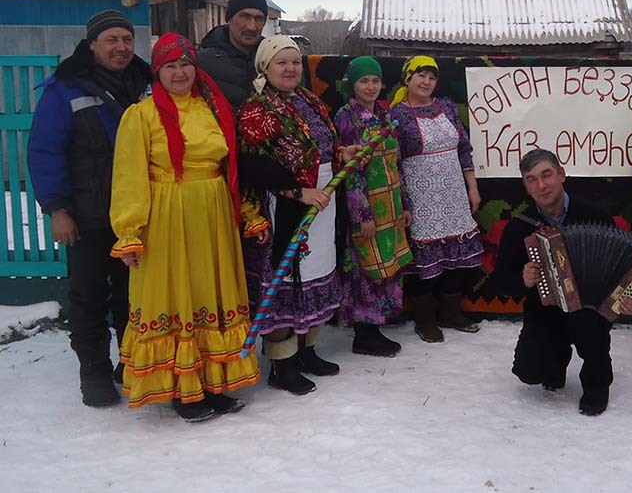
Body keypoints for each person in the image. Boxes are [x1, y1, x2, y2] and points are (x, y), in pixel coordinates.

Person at [109, 34, 268, 422]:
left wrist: (250, 212)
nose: (179, 73)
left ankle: (213, 383)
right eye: (170, 66)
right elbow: (128, 177)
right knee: (177, 297)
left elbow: (231, 169)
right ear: (157, 72)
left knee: (208, 298)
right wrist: (129, 231)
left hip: (213, 217)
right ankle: (184, 392)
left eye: (185, 64)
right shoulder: (141, 115)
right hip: (166, 219)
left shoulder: (212, 109)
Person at [27, 10, 152, 408]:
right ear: (93, 44)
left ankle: (130, 364)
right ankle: (94, 372)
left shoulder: (147, 82)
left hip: (136, 216)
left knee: (135, 298)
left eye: (127, 40)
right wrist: (57, 210)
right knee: (89, 297)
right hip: (88, 216)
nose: (121, 48)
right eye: (111, 40)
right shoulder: (64, 88)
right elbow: (45, 151)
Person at [238, 35, 358, 395]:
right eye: (281, 62)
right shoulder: (257, 109)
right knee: (287, 279)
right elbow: (252, 166)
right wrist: (297, 191)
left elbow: (322, 148)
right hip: (287, 205)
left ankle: (307, 351)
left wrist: (341, 154)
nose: (290, 69)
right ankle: (282, 363)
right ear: (265, 67)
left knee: (315, 272)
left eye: (295, 62)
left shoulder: (310, 101)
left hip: (321, 201)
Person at [493, 150, 632, 416]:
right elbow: (501, 282)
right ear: (526, 187)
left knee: (588, 328)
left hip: (590, 311)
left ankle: (597, 384)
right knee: (529, 372)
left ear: (561, 174)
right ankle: (556, 357)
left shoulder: (594, 216)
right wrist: (522, 279)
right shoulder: (519, 227)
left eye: (546, 175)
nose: (541, 185)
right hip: (545, 311)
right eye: (532, 179)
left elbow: (624, 266)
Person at [389, 56, 483, 343]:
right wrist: (404, 202)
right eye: (420, 75)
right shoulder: (396, 116)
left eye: (431, 76)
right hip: (421, 196)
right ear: (407, 78)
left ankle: (451, 313)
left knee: (457, 258)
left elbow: (464, 148)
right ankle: (426, 319)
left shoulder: (447, 108)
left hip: (453, 192)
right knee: (424, 264)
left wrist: (472, 187)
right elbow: (393, 163)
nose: (426, 81)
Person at [334, 56, 413, 357]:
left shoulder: (385, 116)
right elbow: (351, 169)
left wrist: (404, 203)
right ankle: (364, 333)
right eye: (364, 81)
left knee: (388, 264)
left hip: (390, 204)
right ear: (352, 84)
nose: (370, 87)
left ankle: (379, 323)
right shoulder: (346, 117)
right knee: (367, 270)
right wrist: (361, 214)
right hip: (367, 208)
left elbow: (397, 163)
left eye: (375, 81)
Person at [199, 0, 269, 109]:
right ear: (230, 18)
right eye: (244, 16)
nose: (252, 27)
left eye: (259, 19)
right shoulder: (203, 63)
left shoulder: (273, 59)